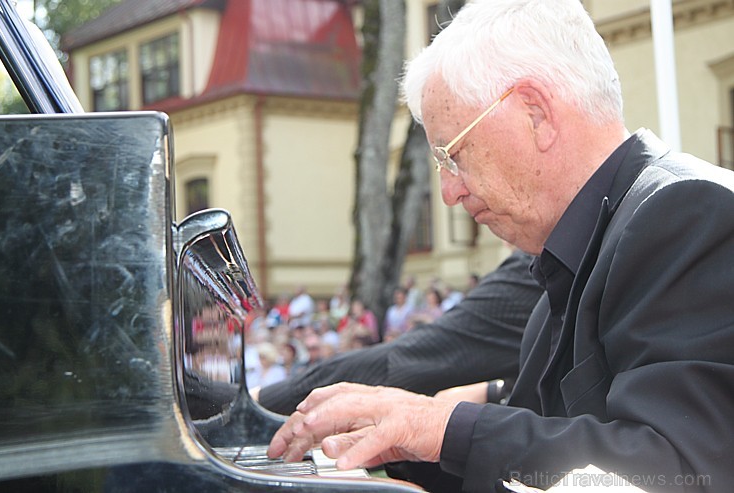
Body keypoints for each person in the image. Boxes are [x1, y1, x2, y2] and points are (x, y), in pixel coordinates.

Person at [267, 1, 734, 492]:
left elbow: (683, 469)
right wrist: (407, 443)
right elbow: (541, 454)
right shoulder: (579, 249)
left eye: (453, 155)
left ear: (536, 113)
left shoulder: (682, 212)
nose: (449, 192)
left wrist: (439, 427)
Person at [255, 249, 541, 417]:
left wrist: (260, 403)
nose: (451, 194)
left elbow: (407, 359)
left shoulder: (537, 268)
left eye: (457, 158)